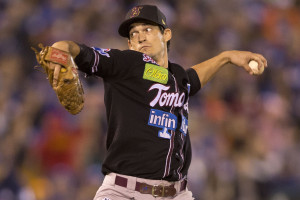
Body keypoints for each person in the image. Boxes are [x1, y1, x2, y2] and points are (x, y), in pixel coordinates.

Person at [46, 4, 267, 200]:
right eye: (133, 33)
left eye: (147, 29)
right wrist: (60, 50)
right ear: (130, 44)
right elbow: (79, 51)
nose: (140, 37)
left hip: (177, 193)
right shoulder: (125, 63)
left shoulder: (177, 78)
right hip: (125, 192)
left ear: (166, 34)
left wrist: (226, 57)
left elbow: (192, 79)